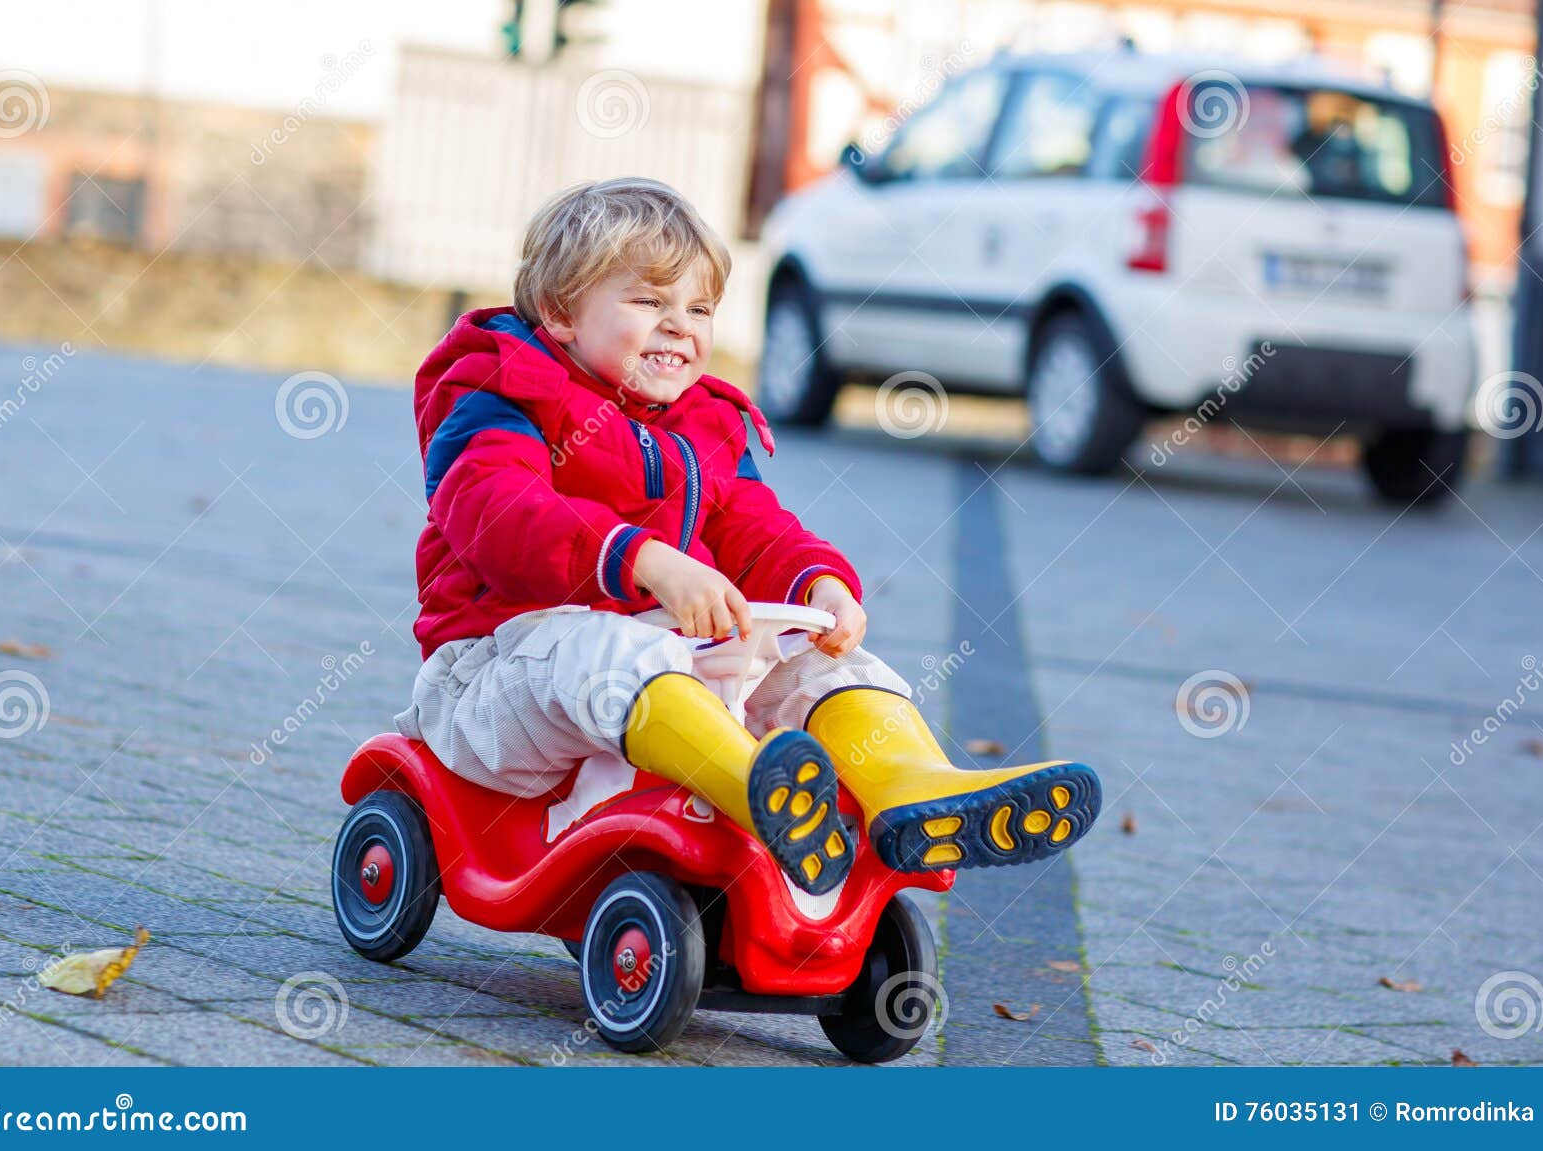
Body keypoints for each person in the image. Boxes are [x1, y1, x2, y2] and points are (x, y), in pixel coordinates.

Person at [395, 177, 1099, 896]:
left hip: (663, 667)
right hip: (501, 674)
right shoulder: (501, 391)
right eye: (649, 301)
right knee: (606, 650)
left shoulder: (704, 421)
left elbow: (753, 527)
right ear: (560, 311)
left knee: (817, 661)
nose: (680, 326)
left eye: (698, 308)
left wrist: (818, 583)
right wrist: (642, 559)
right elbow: (496, 510)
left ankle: (912, 789)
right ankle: (761, 795)